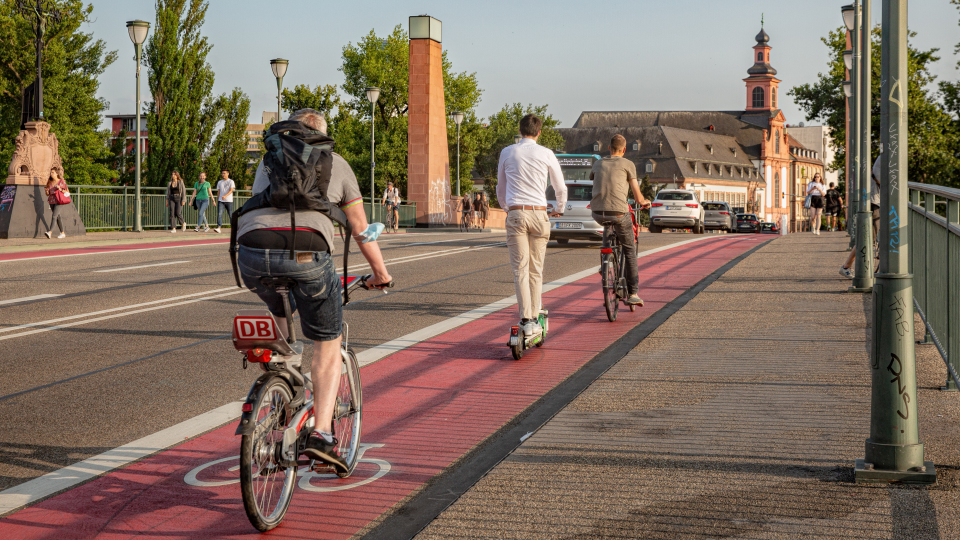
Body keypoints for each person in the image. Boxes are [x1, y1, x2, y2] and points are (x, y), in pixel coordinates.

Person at [236, 108, 392, 471]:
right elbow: (359, 227)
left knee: (280, 307)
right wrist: (381, 272)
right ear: (322, 135)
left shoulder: (268, 162)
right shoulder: (335, 162)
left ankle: (281, 378)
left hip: (251, 253)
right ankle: (321, 433)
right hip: (306, 254)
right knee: (326, 339)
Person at [496, 114, 567, 337]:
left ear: (520, 130)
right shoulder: (546, 153)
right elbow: (560, 186)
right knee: (536, 269)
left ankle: (526, 319)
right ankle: (536, 317)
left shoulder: (507, 152)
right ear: (539, 132)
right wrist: (560, 208)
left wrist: (508, 207)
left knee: (520, 270)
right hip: (539, 214)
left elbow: (501, 186)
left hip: (517, 213)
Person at [589, 134, 651, 306]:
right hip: (618, 212)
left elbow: (595, 180)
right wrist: (645, 202)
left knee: (607, 223)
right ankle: (633, 293)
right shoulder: (628, 164)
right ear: (624, 150)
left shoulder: (598, 163)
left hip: (597, 212)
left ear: (609, 148)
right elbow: (638, 198)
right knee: (629, 248)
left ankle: (605, 263)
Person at [840, 158, 882, 278]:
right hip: (875, 202)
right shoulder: (884, 159)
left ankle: (851, 267)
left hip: (874, 201)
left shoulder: (882, 158)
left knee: (867, 237)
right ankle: (847, 266)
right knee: (867, 238)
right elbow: (879, 179)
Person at [44, 170, 69, 239]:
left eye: (52, 172)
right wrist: (46, 191)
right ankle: (62, 233)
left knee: (54, 216)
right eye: (50, 172)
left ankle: (50, 232)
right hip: (51, 201)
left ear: (57, 173)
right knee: (58, 217)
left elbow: (67, 192)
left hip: (59, 201)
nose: (51, 174)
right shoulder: (50, 182)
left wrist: (60, 189)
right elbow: (47, 194)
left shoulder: (61, 181)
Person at [215, 169, 235, 234]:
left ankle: (234, 227)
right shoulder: (220, 182)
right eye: (222, 173)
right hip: (221, 201)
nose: (223, 174)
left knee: (230, 214)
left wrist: (225, 196)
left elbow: (231, 190)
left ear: (228, 173)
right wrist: (218, 199)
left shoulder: (231, 181)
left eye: (224, 173)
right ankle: (219, 227)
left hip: (229, 201)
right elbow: (218, 191)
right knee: (220, 214)